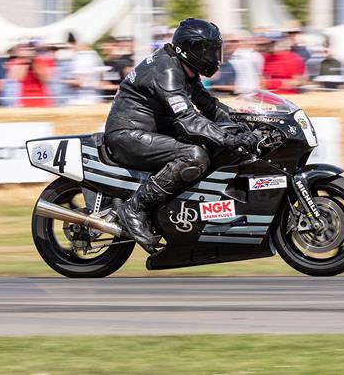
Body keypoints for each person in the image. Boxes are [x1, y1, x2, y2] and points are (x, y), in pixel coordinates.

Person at [104, 18, 258, 251]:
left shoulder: (184, 68)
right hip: (128, 134)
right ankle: (135, 208)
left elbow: (210, 107)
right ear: (192, 49)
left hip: (150, 129)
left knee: (213, 144)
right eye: (208, 50)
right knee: (194, 155)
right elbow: (188, 121)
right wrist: (230, 139)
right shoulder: (167, 72)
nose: (214, 56)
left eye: (216, 49)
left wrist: (246, 123)